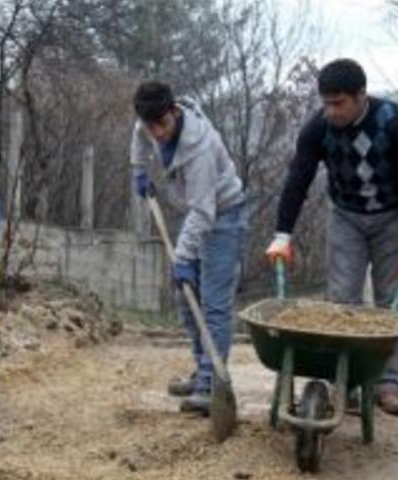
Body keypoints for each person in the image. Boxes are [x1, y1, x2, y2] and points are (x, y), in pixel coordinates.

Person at [265, 58, 398, 416]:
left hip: (392, 217)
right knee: (342, 302)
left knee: (390, 303)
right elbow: (298, 180)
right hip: (346, 217)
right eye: (325, 103)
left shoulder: (397, 124)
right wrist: (282, 234)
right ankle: (347, 382)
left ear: (360, 95)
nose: (330, 111)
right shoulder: (318, 129)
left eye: (338, 103)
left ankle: (388, 384)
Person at [130, 81, 247, 414]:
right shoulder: (148, 124)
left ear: (174, 112)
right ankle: (202, 371)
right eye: (151, 126)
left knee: (213, 303)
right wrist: (139, 169)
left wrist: (182, 257)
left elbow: (204, 212)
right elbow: (139, 134)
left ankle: (213, 384)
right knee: (186, 297)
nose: (158, 133)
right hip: (198, 213)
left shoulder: (201, 147)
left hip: (223, 216)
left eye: (163, 125)